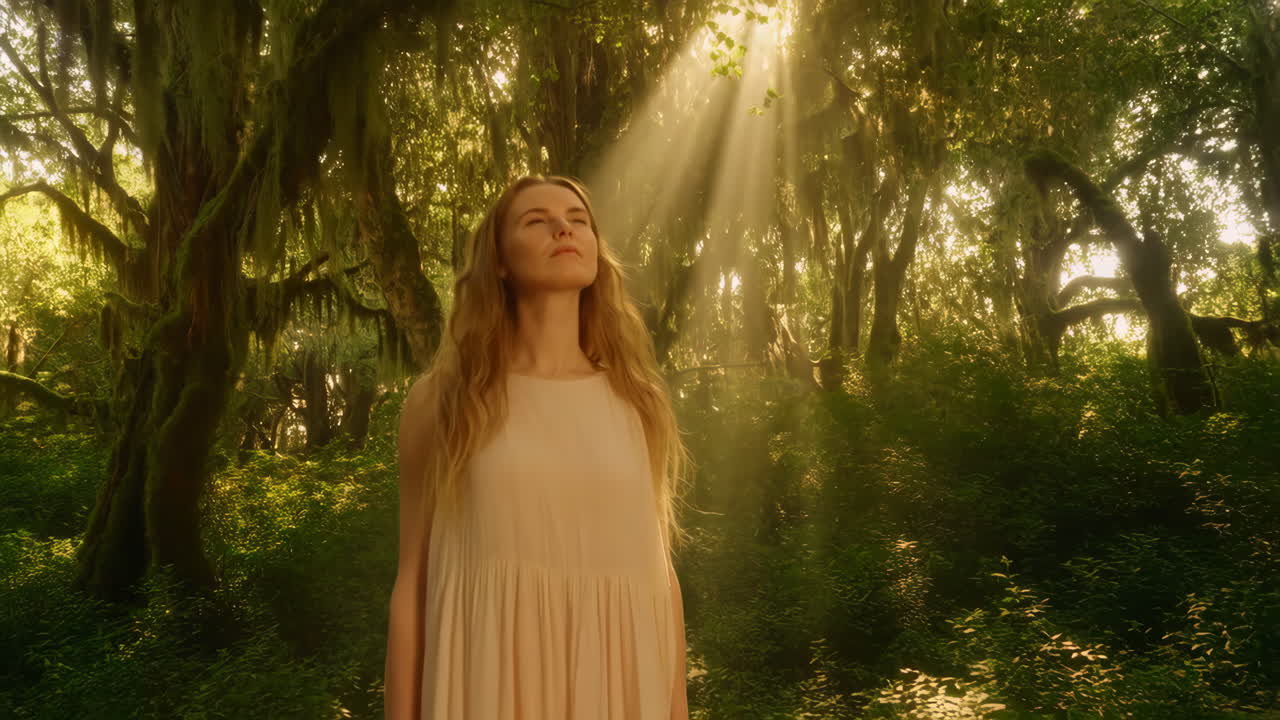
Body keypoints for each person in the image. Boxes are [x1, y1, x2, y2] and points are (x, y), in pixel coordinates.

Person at [384, 175, 693, 719]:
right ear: (498, 261)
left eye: (578, 219)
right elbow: (414, 581)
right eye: (536, 220)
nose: (562, 227)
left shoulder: (638, 402)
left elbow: (658, 576)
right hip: (485, 685)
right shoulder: (444, 402)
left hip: (617, 689)